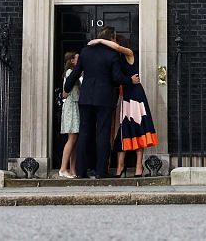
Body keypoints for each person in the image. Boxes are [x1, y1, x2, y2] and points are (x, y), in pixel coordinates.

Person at [63, 27, 140, 179]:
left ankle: (81, 171)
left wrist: (67, 87)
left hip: (86, 98)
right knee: (103, 134)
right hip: (104, 98)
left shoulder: (85, 52)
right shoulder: (112, 54)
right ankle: (100, 171)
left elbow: (76, 72)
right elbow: (117, 77)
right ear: (112, 38)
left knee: (84, 134)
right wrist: (129, 80)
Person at [89, 34, 158, 177]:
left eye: (112, 41)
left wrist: (101, 40)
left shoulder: (129, 53)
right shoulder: (114, 58)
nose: (110, 43)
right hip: (123, 95)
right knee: (122, 131)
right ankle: (120, 166)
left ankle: (139, 166)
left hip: (135, 95)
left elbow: (118, 48)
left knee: (139, 128)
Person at [58, 51, 80, 179]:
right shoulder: (70, 73)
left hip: (74, 106)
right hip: (72, 106)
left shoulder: (73, 73)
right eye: (77, 58)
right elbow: (66, 92)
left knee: (74, 140)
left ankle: (72, 169)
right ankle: (63, 168)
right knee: (71, 139)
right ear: (72, 61)